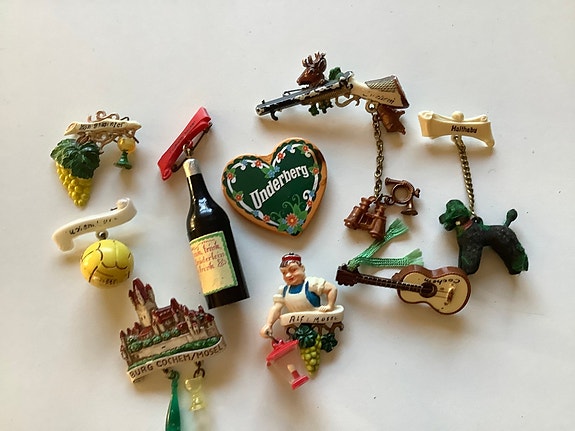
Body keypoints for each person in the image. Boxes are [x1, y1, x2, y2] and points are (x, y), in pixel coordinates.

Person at [260, 253, 339, 338]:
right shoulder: (283, 290)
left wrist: (330, 306)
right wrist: (269, 324)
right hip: (298, 328)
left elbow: (332, 289)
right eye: (284, 273)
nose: (288, 275)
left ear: (302, 268)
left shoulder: (311, 283)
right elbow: (276, 308)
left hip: (317, 324)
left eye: (293, 270)